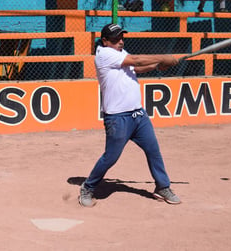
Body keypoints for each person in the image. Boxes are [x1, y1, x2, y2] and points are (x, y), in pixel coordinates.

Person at [78, 23, 181, 207]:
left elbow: (137, 68)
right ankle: (88, 187)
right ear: (105, 41)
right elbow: (138, 60)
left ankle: (162, 186)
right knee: (111, 157)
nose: (121, 41)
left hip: (138, 115)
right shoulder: (104, 54)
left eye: (122, 37)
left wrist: (159, 65)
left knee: (153, 150)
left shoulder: (119, 55)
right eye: (116, 39)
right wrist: (165, 57)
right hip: (118, 118)